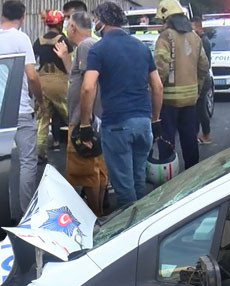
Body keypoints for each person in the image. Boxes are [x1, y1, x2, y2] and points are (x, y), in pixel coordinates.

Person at [79, 1, 164, 208]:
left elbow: (88, 87)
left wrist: (84, 125)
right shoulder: (141, 48)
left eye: (95, 19)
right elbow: (158, 86)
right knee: (138, 180)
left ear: (103, 21)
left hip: (116, 124)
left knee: (124, 188)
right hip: (143, 122)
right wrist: (155, 120)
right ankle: (144, 220)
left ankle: (131, 225)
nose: (95, 24)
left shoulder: (98, 49)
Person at [0, 0, 42, 214]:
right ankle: (26, 212)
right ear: (23, 17)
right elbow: (32, 76)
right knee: (27, 161)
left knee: (1, 163)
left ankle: (3, 211)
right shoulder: (21, 38)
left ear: (2, 14)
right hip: (20, 108)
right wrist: (40, 99)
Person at [58, 11, 108, 216]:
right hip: (86, 118)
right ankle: (97, 212)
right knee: (95, 168)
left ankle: (95, 215)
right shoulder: (86, 47)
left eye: (67, 26)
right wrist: (65, 58)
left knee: (87, 170)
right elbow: (77, 78)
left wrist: (85, 122)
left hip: (84, 120)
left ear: (73, 27)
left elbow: (88, 85)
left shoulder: (86, 46)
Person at [154, 0, 209, 169]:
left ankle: (168, 174)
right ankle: (192, 173)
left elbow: (161, 69)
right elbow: (204, 66)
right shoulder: (195, 37)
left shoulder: (165, 37)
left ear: (167, 18)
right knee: (189, 138)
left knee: (167, 139)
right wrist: (197, 88)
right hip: (191, 99)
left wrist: (154, 93)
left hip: (168, 101)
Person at [33, 10, 72, 152]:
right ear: (60, 23)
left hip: (42, 84)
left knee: (42, 120)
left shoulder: (39, 41)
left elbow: (32, 62)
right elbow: (69, 63)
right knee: (70, 117)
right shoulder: (63, 40)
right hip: (60, 84)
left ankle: (40, 153)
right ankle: (79, 148)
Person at [191, 16, 213, 144]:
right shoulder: (202, 40)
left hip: (202, 79)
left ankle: (206, 135)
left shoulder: (202, 41)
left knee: (200, 109)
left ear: (198, 27)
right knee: (197, 109)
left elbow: (203, 63)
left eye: (192, 28)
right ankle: (198, 134)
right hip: (202, 78)